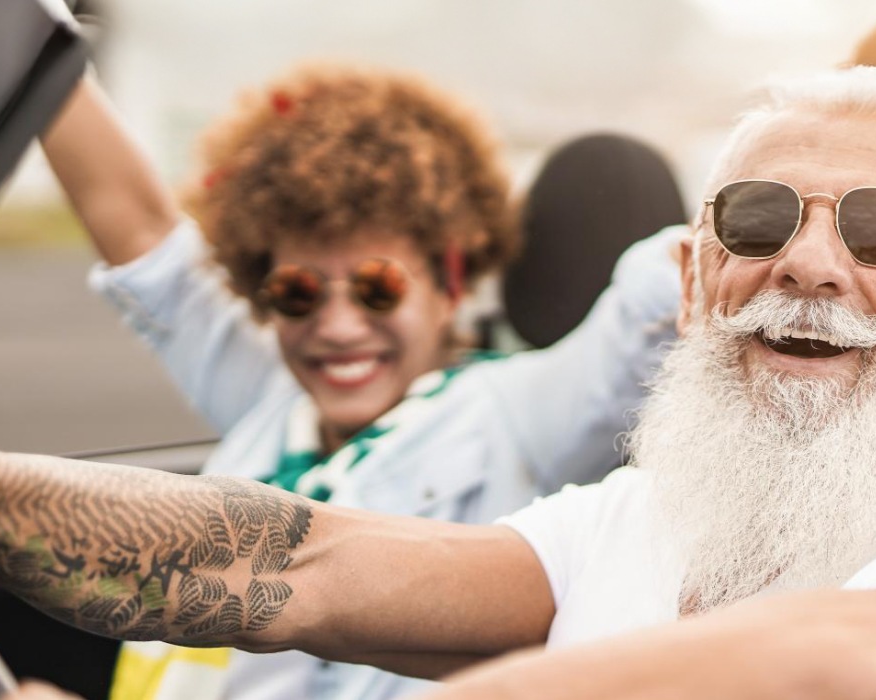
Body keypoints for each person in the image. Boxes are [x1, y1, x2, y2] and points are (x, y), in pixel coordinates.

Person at [0, 65, 876, 699]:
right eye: (761, 222)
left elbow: (857, 670)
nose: (813, 266)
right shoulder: (624, 526)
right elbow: (311, 563)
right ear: (698, 278)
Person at [36, 61, 685, 699]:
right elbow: (141, 232)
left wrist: (760, 214)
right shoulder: (270, 402)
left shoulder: (514, 413)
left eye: (378, 288)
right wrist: (28, 42)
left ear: (449, 282)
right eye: (297, 292)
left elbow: (648, 310)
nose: (338, 328)